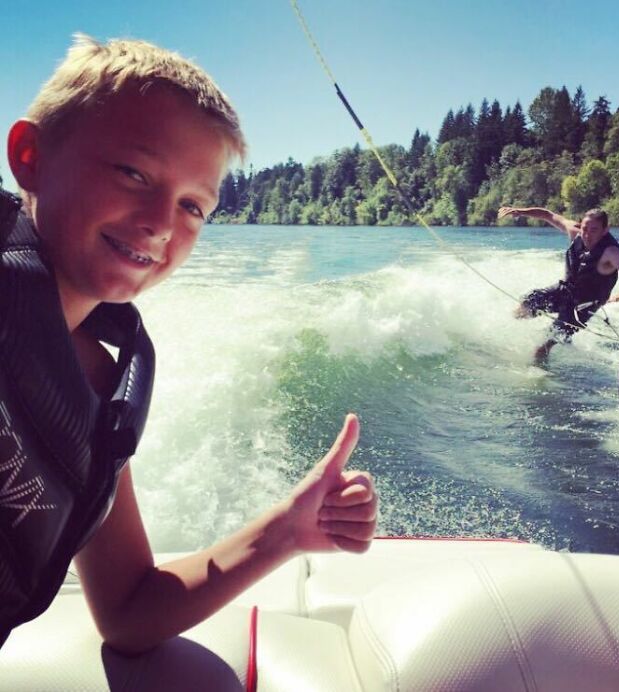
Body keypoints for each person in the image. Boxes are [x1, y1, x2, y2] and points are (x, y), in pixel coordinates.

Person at [0, 35, 377, 652]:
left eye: (193, 206)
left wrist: (287, 531)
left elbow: (127, 611)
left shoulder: (89, 390)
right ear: (29, 156)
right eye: (133, 173)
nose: (160, 222)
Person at [497, 206, 619, 362]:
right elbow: (548, 215)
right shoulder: (575, 232)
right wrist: (520, 211)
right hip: (565, 291)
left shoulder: (611, 252)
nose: (587, 235)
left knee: (543, 345)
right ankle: (501, 335)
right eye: (585, 228)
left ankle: (538, 372)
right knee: (528, 302)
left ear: (605, 230)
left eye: (594, 230)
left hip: (583, 306)